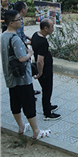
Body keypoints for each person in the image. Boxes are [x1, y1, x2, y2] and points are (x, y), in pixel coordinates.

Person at [1, 10, 51, 139]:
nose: (21, 21)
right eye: (18, 19)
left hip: (10, 76)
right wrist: (30, 53)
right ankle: (36, 131)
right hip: (22, 77)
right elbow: (22, 58)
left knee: (15, 102)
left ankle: (21, 126)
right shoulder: (15, 39)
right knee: (29, 103)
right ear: (11, 23)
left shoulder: (2, 36)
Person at [31, 18, 61, 120]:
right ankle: (47, 113)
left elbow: (33, 43)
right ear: (46, 28)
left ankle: (48, 105)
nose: (53, 28)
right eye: (52, 27)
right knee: (47, 90)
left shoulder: (36, 35)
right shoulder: (43, 42)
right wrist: (40, 72)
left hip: (45, 69)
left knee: (47, 90)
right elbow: (40, 60)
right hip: (44, 70)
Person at [14, 1, 41, 97]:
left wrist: (28, 37)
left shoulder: (18, 18)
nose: (27, 9)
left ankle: (30, 90)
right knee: (25, 70)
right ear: (23, 9)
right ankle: (27, 93)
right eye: (26, 7)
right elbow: (16, 37)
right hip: (22, 49)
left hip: (23, 45)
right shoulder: (18, 20)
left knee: (27, 70)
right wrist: (28, 43)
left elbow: (21, 33)